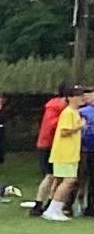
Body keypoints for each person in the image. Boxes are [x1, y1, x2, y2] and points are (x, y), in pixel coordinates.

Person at [37, 91, 84, 222]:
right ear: (70, 98)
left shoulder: (75, 112)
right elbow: (64, 131)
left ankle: (56, 208)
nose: (82, 98)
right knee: (69, 180)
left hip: (71, 153)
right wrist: (79, 126)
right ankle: (52, 210)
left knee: (64, 181)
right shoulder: (68, 112)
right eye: (78, 96)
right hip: (64, 153)